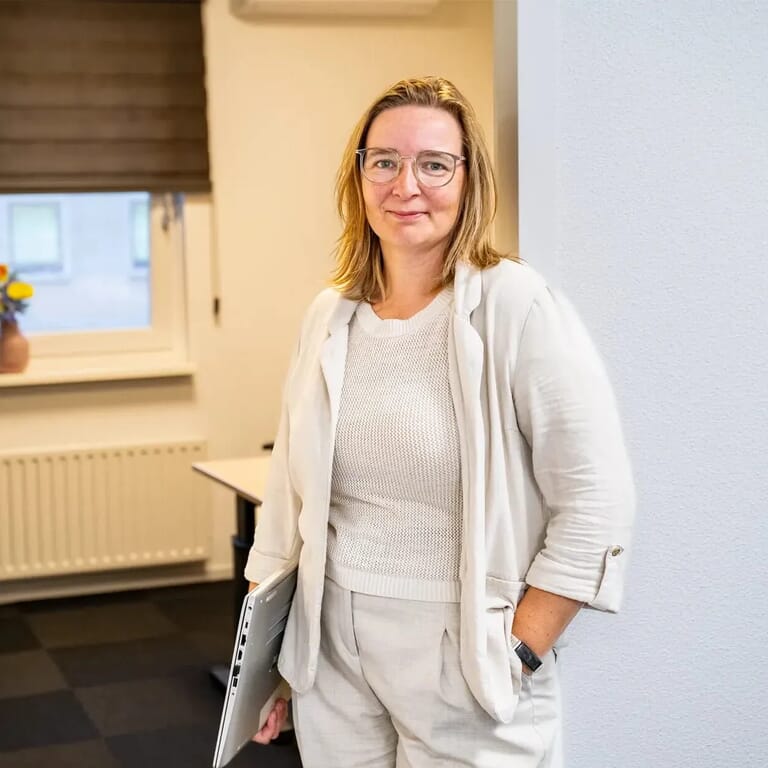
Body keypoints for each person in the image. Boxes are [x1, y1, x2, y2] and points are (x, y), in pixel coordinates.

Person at [244, 76, 635, 767]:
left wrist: (519, 650)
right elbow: (287, 498)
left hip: (462, 653)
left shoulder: (516, 306)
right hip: (330, 649)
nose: (406, 185)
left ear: (468, 178)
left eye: (434, 164)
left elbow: (596, 501)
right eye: (385, 161)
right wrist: (268, 666)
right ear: (358, 175)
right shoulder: (329, 315)